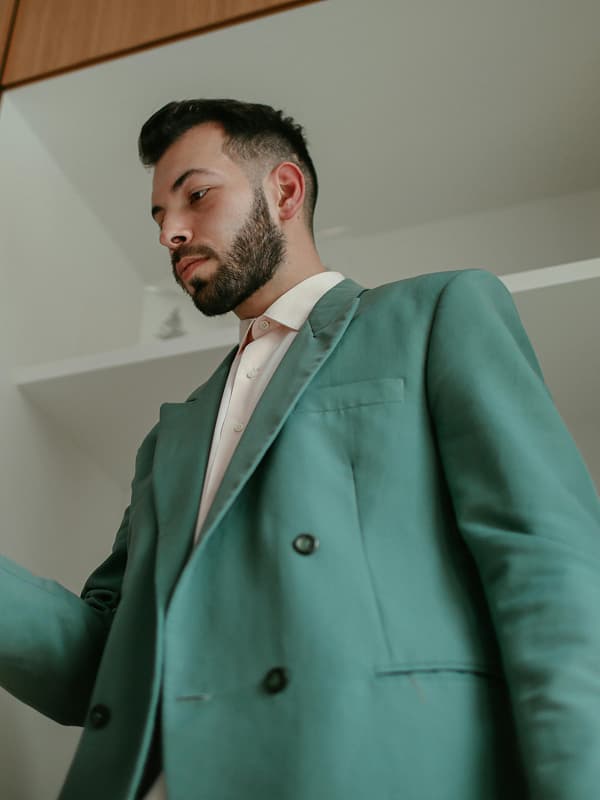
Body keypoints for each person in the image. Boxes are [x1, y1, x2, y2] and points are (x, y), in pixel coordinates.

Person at [1, 98, 599, 800]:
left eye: (195, 195)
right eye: (160, 217)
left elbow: (550, 571)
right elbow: (100, 672)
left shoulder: (436, 313)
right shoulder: (170, 438)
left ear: (284, 190)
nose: (172, 231)